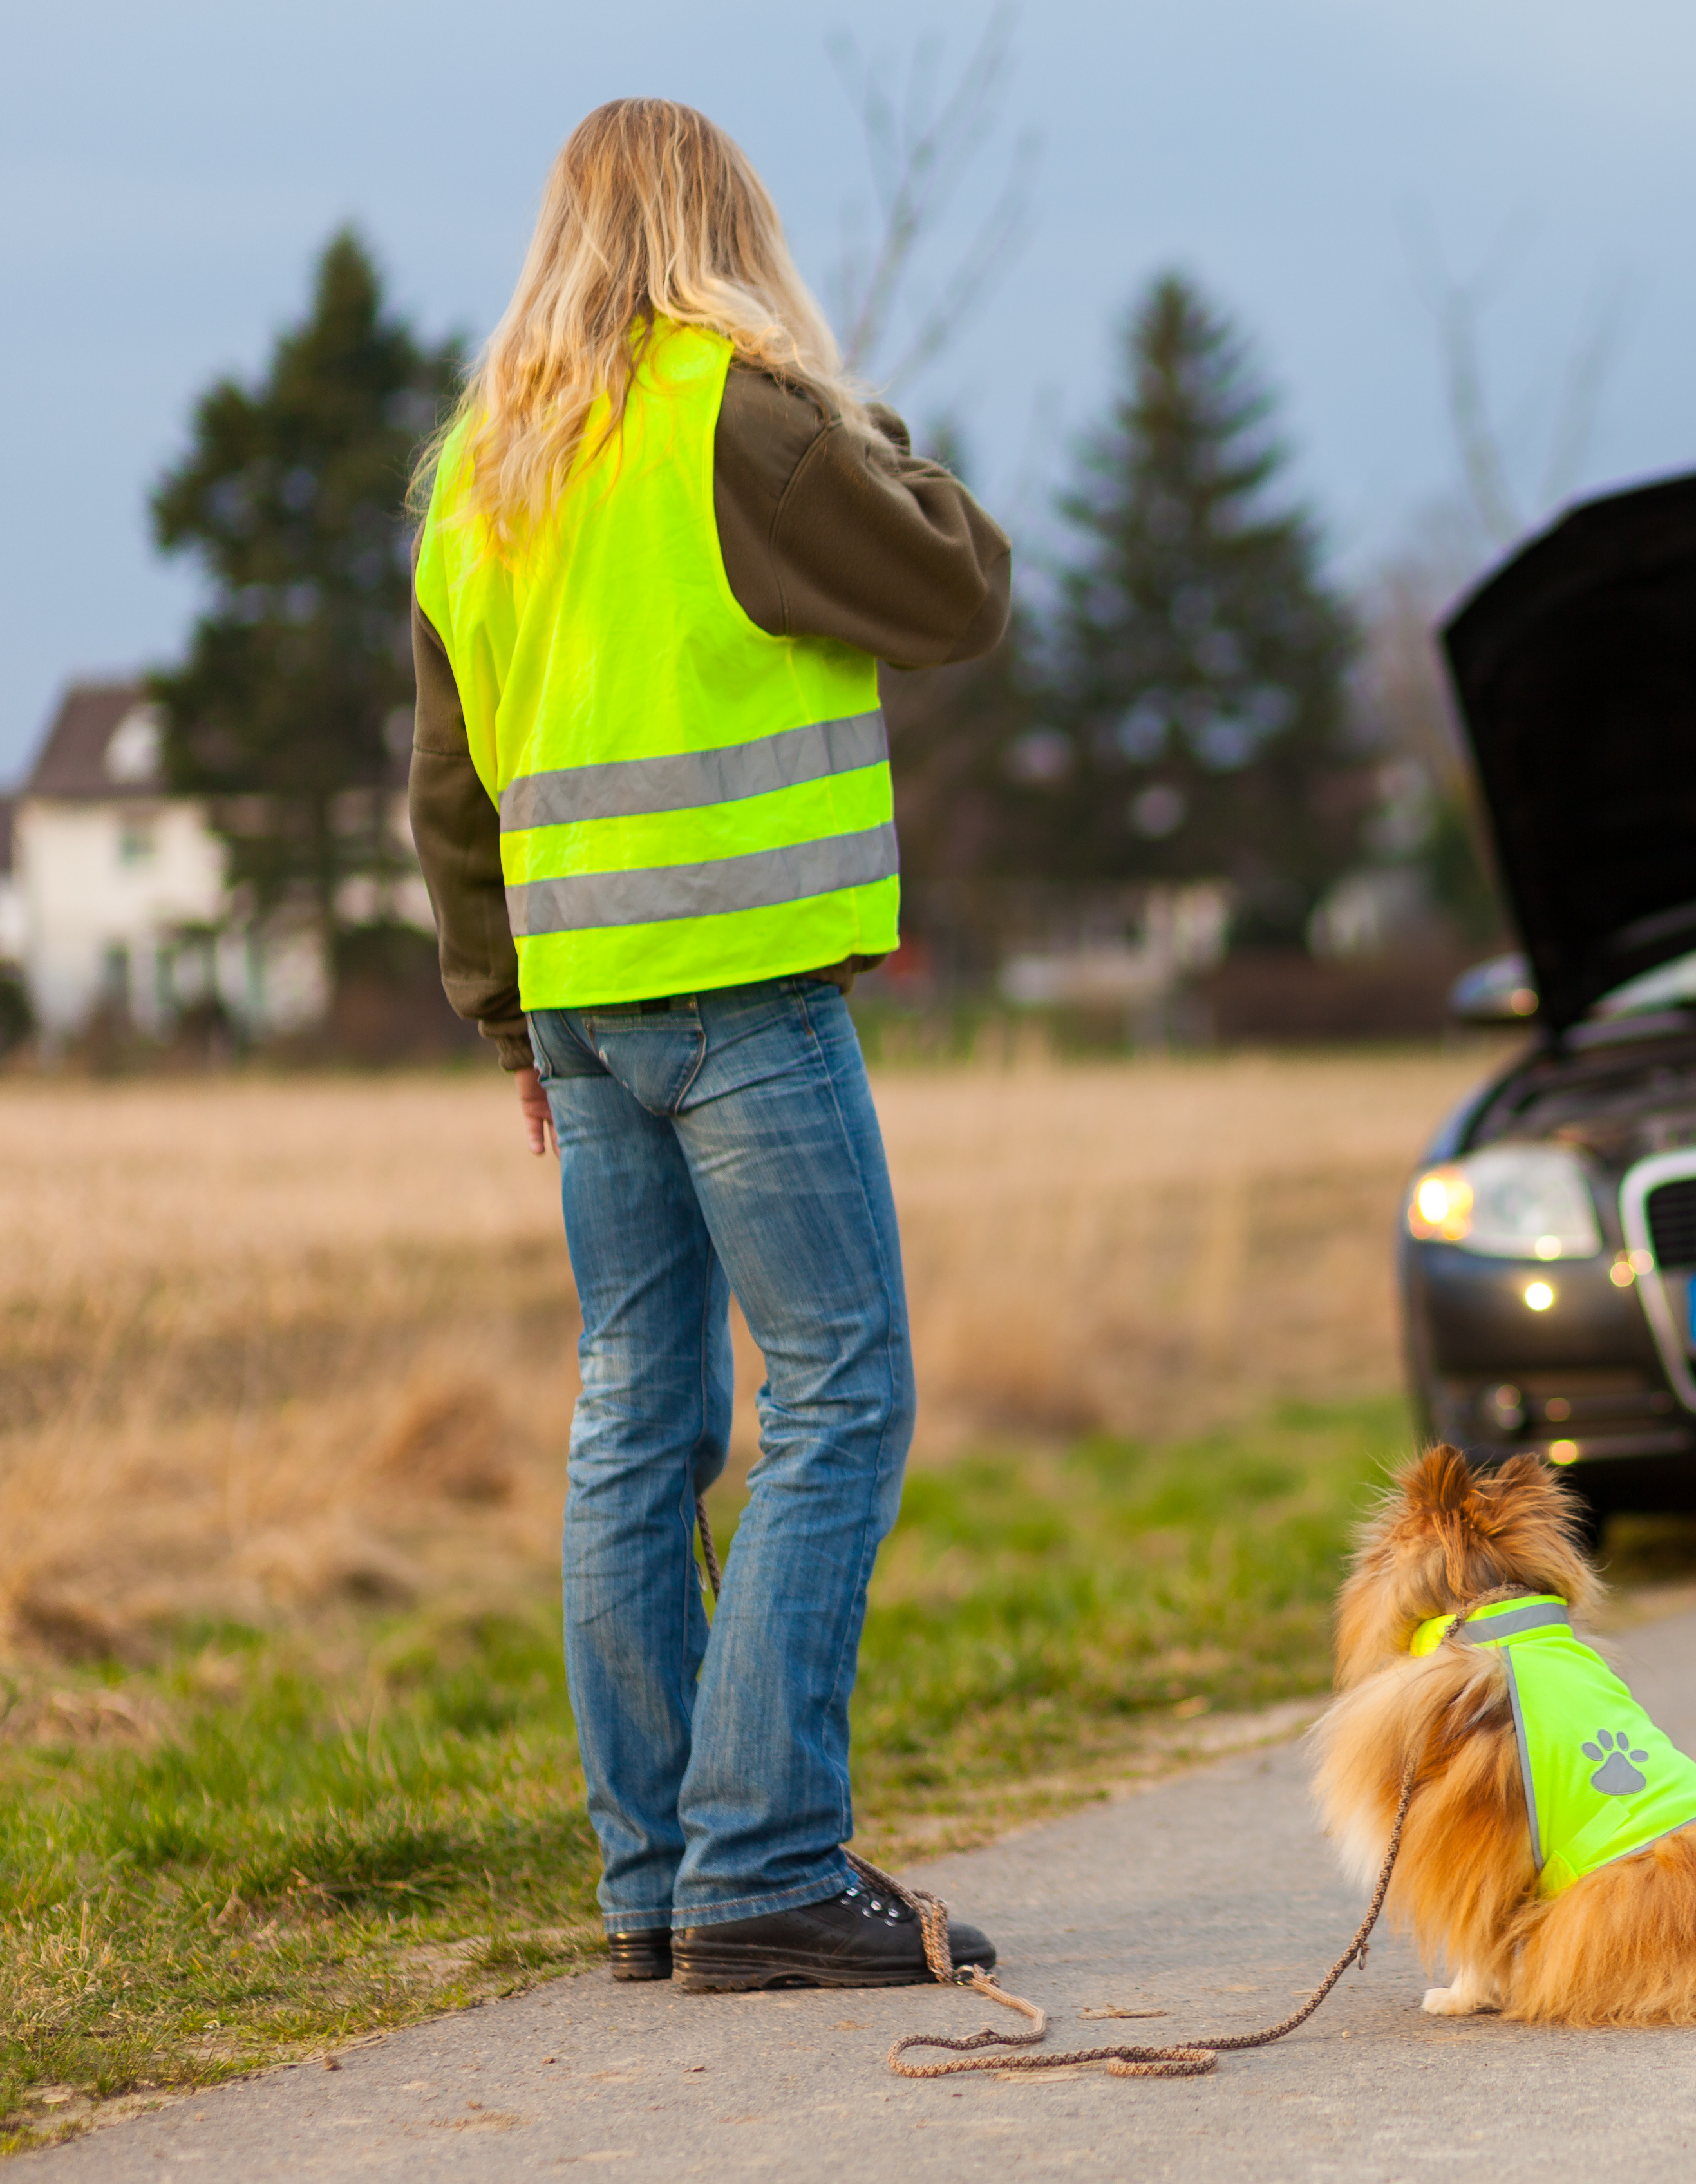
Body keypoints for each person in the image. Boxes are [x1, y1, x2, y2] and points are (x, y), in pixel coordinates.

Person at [408, 98, 1006, 1991]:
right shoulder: (742, 419)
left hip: (581, 1009)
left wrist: (508, 1015)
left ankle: (659, 1879)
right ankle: (759, 1867)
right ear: (725, 231)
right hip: (738, 994)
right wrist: (838, 400)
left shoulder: (479, 465)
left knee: (636, 1426)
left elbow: (450, 782)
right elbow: (957, 586)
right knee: (838, 1402)